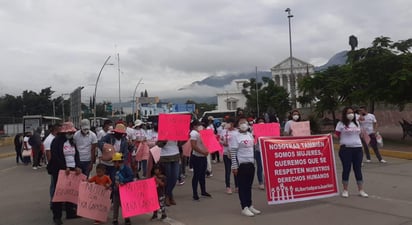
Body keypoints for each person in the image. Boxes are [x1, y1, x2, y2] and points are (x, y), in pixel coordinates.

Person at [47, 122, 82, 225]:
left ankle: (70, 212)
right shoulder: (56, 141)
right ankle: (57, 216)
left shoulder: (72, 141)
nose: (71, 133)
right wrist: (64, 167)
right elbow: (55, 157)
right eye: (69, 132)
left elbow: (76, 155)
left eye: (72, 132)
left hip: (71, 169)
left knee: (70, 192)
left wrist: (77, 166)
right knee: (59, 194)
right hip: (60, 171)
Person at [334, 106, 369, 198]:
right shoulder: (341, 124)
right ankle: (345, 190)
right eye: (349, 113)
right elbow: (336, 135)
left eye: (352, 113)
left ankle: (361, 190)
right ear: (345, 114)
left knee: (358, 169)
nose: (351, 114)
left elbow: (362, 122)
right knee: (346, 169)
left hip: (358, 149)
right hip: (346, 149)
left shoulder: (357, 123)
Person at [230, 118, 261, 217]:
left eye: (245, 123)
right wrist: (234, 166)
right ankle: (244, 207)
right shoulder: (235, 136)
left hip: (251, 163)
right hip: (241, 164)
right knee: (242, 187)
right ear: (238, 125)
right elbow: (233, 152)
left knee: (248, 186)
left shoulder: (249, 134)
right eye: (241, 123)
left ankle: (250, 204)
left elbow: (253, 148)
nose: (243, 124)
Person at [98, 122, 129, 192]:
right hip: (105, 163)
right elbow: (100, 142)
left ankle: (112, 196)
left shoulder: (124, 140)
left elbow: (125, 153)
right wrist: (107, 148)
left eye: (121, 134)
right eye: (118, 133)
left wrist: (123, 163)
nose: (120, 135)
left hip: (115, 164)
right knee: (103, 181)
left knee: (113, 181)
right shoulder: (109, 137)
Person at [190, 120, 212, 201]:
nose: (200, 126)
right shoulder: (193, 133)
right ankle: (195, 194)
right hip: (197, 157)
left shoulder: (201, 132)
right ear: (194, 126)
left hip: (203, 156)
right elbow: (193, 145)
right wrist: (202, 152)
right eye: (198, 125)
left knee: (202, 174)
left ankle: (203, 191)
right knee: (197, 175)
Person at [112, 152, 134, 225]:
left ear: (119, 162)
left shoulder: (126, 169)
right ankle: (115, 219)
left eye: (115, 162)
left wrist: (124, 181)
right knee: (115, 206)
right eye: (114, 162)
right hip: (116, 191)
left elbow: (131, 177)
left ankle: (127, 218)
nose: (114, 164)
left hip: (124, 191)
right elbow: (112, 179)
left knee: (125, 205)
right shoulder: (114, 170)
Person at [157, 139, 180, 206]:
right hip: (165, 157)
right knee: (168, 178)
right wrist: (165, 140)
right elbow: (159, 145)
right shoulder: (163, 132)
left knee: (175, 178)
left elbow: (180, 144)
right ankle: (169, 197)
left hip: (175, 155)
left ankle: (167, 195)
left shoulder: (176, 132)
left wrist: (185, 139)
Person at [43, 123, 61, 208]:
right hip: (53, 166)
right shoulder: (49, 140)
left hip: (57, 165)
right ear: (56, 130)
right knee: (54, 184)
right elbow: (48, 154)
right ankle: (52, 202)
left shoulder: (55, 138)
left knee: (57, 184)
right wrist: (52, 166)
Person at [219, 117, 238, 194]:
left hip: (235, 153)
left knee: (236, 170)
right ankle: (228, 187)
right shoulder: (224, 131)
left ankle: (237, 186)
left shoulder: (237, 131)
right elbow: (220, 139)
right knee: (228, 170)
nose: (230, 124)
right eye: (228, 122)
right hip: (226, 153)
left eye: (231, 122)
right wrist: (223, 143)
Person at [253, 117, 265, 190]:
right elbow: (254, 140)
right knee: (260, 167)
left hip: (266, 150)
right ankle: (261, 182)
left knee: (267, 168)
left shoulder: (268, 129)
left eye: (262, 121)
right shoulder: (254, 130)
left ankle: (267, 181)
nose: (261, 122)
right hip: (258, 150)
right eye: (259, 121)